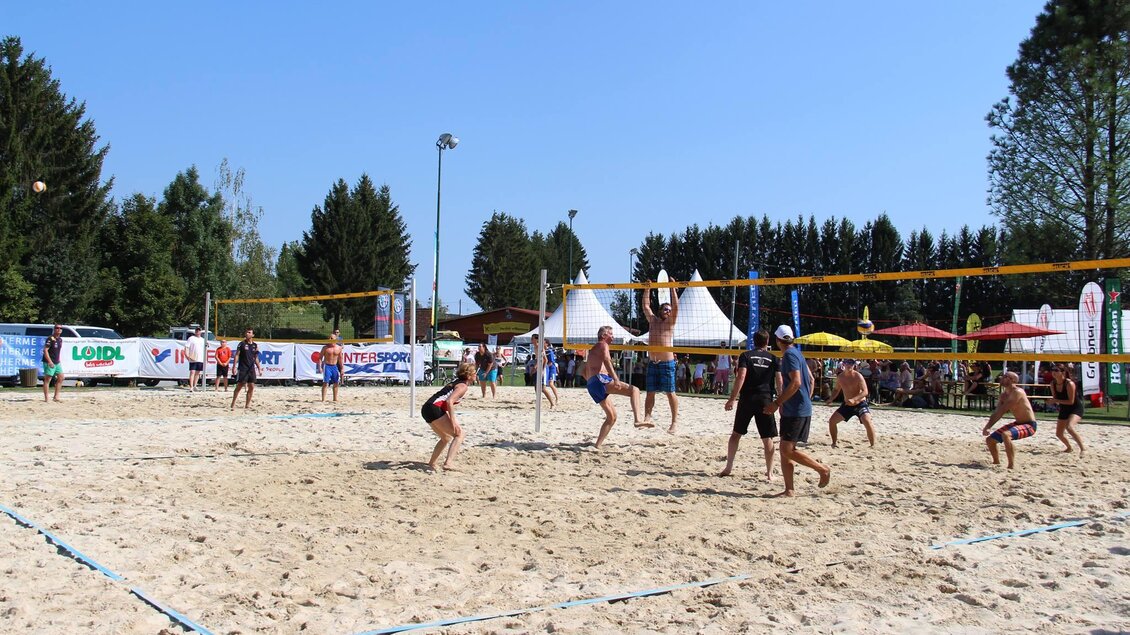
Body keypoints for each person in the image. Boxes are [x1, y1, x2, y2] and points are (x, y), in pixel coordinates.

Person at [764, 325, 831, 496]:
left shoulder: (789, 355)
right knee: (785, 449)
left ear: (777, 340)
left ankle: (822, 469)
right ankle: (789, 490)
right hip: (796, 407)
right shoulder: (797, 353)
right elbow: (810, 379)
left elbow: (796, 382)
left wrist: (777, 403)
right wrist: (803, 399)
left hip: (796, 410)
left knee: (787, 450)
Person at [722, 329, 781, 480]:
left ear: (753, 341)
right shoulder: (774, 358)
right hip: (765, 399)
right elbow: (779, 381)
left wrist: (732, 399)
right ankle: (770, 473)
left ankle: (728, 467)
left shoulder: (746, 355)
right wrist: (780, 401)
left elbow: (741, 376)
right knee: (767, 438)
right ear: (768, 342)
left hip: (747, 399)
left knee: (736, 434)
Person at [583, 325, 647, 448]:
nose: (613, 336)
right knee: (635, 390)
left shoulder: (593, 350)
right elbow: (607, 360)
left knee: (612, 417)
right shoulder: (603, 345)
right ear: (603, 336)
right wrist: (615, 379)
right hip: (600, 379)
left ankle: (598, 445)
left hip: (592, 384)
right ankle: (638, 420)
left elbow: (583, 372)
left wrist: (592, 382)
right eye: (611, 334)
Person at [421, 362, 476, 471]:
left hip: (426, 408)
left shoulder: (456, 383)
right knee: (459, 434)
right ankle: (448, 463)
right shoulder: (463, 386)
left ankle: (432, 463)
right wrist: (453, 421)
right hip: (434, 408)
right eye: (474, 373)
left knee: (445, 438)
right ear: (469, 376)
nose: (476, 375)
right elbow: (449, 401)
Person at [641, 281, 680, 433]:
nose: (668, 311)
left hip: (667, 363)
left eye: (669, 310)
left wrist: (672, 289)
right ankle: (647, 417)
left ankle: (674, 422)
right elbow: (645, 306)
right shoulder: (653, 321)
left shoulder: (670, 322)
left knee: (670, 393)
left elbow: (676, 307)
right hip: (653, 362)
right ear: (660, 310)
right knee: (650, 392)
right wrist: (647, 289)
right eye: (665, 309)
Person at [982, 371, 1038, 469]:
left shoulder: (1018, 392)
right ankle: (996, 462)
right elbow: (997, 412)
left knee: (1006, 435)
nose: (1001, 378)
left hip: (1030, 425)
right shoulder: (1003, 395)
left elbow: (1002, 411)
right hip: (1018, 423)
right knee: (990, 440)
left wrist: (988, 426)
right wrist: (987, 427)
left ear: (1013, 380)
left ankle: (1011, 466)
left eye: (1005, 376)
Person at [826, 359, 877, 448]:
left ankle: (872, 445)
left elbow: (865, 392)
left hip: (860, 404)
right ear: (843, 365)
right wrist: (831, 399)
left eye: (851, 363)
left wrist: (854, 399)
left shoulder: (858, 376)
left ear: (854, 365)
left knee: (867, 421)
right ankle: (834, 443)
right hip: (847, 405)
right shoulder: (840, 377)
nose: (849, 365)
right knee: (832, 421)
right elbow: (836, 389)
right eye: (847, 363)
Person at [1048, 364, 1086, 456]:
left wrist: (1055, 400)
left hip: (1075, 408)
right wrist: (1052, 401)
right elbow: (1056, 398)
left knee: (1069, 427)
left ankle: (1083, 449)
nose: (1054, 372)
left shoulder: (1069, 384)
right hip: (1064, 408)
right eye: (1052, 370)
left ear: (1063, 372)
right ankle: (1069, 447)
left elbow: (1071, 401)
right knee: (1059, 434)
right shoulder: (1052, 383)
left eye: (1056, 370)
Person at [230, 328, 263, 410]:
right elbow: (237, 355)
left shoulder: (255, 345)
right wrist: (234, 366)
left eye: (249, 332)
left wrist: (259, 368)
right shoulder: (242, 344)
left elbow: (255, 358)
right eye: (247, 332)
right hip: (243, 368)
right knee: (239, 386)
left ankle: (247, 405)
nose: (247, 334)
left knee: (251, 386)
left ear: (253, 335)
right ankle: (233, 403)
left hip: (251, 368)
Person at [529, 334, 557, 408]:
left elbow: (545, 359)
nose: (531, 340)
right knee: (536, 387)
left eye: (532, 338)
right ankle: (539, 402)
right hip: (539, 368)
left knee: (543, 388)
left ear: (536, 339)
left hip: (543, 368)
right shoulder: (535, 347)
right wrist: (535, 367)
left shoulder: (539, 347)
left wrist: (542, 370)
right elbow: (539, 360)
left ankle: (552, 403)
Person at [41, 323, 65, 403]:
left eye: (60, 328)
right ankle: (46, 398)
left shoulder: (60, 339)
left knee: (61, 377)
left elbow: (57, 352)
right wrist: (49, 361)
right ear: (54, 329)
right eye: (57, 328)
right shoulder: (50, 338)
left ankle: (56, 396)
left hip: (57, 362)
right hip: (49, 362)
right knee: (48, 379)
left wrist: (58, 361)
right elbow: (45, 350)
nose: (58, 329)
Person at [318, 333, 344, 402]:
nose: (330, 339)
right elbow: (320, 358)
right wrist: (320, 367)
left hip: (334, 366)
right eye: (329, 338)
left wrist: (342, 369)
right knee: (325, 383)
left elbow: (340, 359)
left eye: (331, 338)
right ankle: (323, 399)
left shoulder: (339, 348)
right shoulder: (325, 348)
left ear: (335, 339)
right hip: (327, 366)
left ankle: (335, 398)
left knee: (336, 382)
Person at [184, 326, 206, 392]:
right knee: (192, 372)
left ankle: (195, 385)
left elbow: (205, 348)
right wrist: (187, 355)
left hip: (200, 358)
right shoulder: (191, 338)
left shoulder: (203, 340)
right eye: (197, 330)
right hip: (193, 357)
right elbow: (186, 347)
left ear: (201, 331)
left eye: (199, 330)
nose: (198, 331)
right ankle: (191, 386)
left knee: (198, 373)